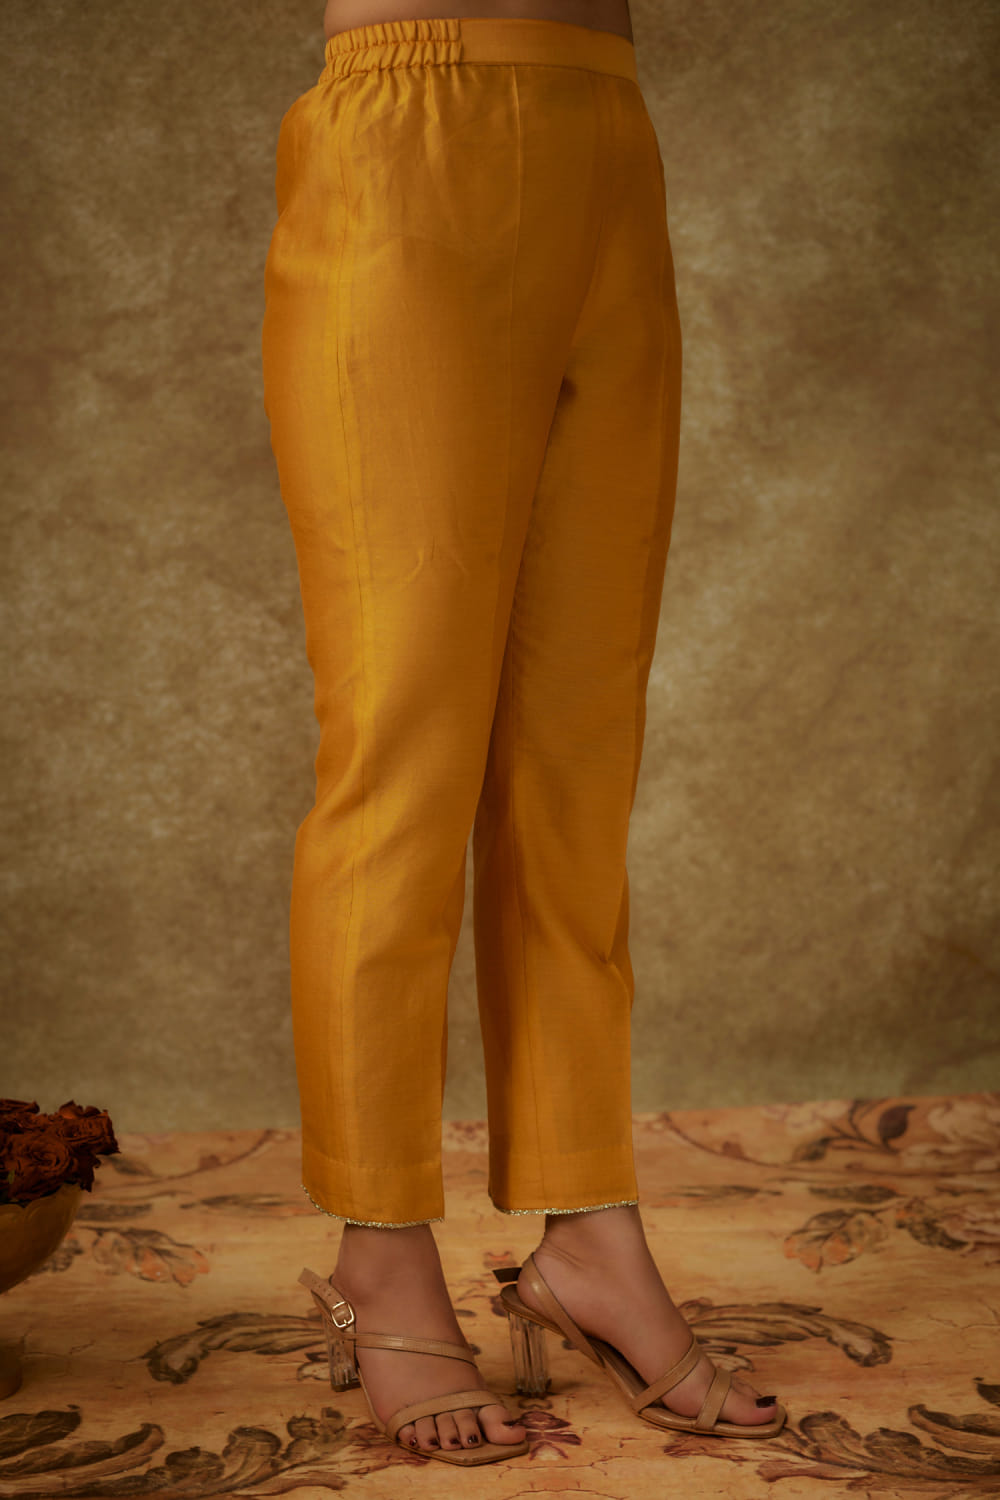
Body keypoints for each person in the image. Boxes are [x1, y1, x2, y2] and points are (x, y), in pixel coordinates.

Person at [261, 0, 785, 1466]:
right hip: (411, 120)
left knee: (577, 761)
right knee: (403, 755)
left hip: (609, 122)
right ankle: (380, 1247)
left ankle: (591, 1231)